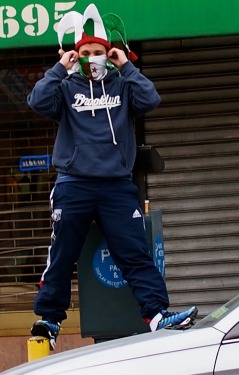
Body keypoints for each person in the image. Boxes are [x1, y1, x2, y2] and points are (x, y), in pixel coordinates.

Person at [26, 3, 197, 350]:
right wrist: (61, 66)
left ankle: (157, 315)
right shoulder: (65, 88)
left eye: (99, 52)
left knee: (134, 252)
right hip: (73, 183)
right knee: (62, 252)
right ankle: (49, 318)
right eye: (85, 52)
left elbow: (151, 99)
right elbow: (37, 102)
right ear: (76, 54)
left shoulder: (122, 86)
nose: (92, 57)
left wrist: (126, 64)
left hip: (117, 186)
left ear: (110, 53)